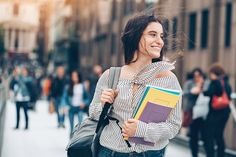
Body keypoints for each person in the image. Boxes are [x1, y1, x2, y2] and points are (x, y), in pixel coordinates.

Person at [89, 13, 182, 157]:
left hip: (150, 154)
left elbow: (173, 126)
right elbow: (93, 114)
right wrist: (103, 104)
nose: (160, 41)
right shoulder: (111, 76)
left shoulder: (168, 79)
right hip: (110, 152)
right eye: (153, 34)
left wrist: (142, 130)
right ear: (135, 36)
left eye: (161, 36)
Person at [203, 63, 231, 157]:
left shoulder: (216, 82)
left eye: (210, 74)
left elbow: (211, 92)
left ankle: (210, 155)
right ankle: (220, 155)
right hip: (225, 112)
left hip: (215, 112)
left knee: (209, 135)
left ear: (214, 73)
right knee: (219, 135)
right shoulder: (226, 82)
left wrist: (204, 92)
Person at [183, 68, 207, 157]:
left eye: (199, 75)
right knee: (193, 135)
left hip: (203, 113)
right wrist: (193, 92)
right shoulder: (189, 83)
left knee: (205, 135)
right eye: (195, 76)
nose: (197, 78)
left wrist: (201, 86)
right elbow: (185, 93)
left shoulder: (205, 83)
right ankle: (194, 154)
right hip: (192, 112)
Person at [65, 70, 88, 137]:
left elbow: (87, 98)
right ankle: (71, 141)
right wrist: (65, 106)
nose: (74, 77)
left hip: (79, 108)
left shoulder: (82, 86)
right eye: (73, 76)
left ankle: (78, 140)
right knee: (71, 127)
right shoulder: (68, 87)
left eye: (76, 76)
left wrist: (84, 103)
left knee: (80, 126)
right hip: (71, 108)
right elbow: (64, 98)